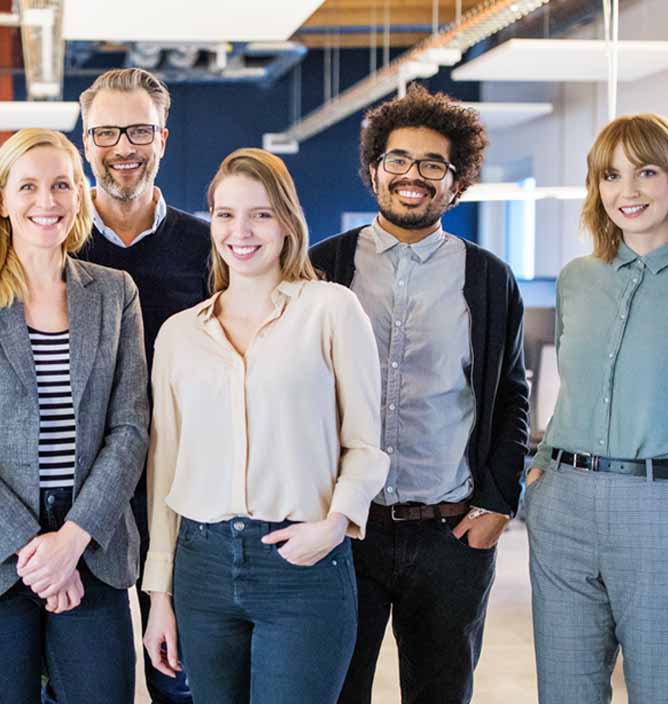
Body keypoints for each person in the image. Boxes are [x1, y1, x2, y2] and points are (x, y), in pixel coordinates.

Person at [308, 85, 530, 704]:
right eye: (399, 160)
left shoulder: (487, 277)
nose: (414, 175)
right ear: (374, 170)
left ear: (456, 182)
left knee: (440, 694)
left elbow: (510, 396)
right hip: (345, 531)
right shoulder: (323, 267)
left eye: (434, 164)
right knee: (334, 692)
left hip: (450, 532)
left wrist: (497, 505)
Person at [141, 147, 388, 704]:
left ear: (286, 222)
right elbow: (165, 465)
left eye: (260, 213)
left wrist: (334, 525)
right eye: (226, 214)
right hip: (200, 567)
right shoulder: (181, 334)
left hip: (300, 564)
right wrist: (159, 593)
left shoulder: (330, 310)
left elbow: (367, 443)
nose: (241, 231)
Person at [0, 128, 148, 704]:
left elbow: (130, 428)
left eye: (61, 185)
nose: (46, 201)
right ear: (1, 199)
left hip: (90, 545)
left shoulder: (116, 292)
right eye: (28, 186)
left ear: (79, 196)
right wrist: (32, 550)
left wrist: (70, 541)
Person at [75, 66, 212, 704]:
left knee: (181, 678)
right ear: (84, 138)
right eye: (106, 131)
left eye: (139, 131)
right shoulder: (55, 245)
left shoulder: (212, 248)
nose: (122, 148)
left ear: (164, 138)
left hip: (184, 486)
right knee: (85, 681)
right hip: (80, 494)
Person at [525, 113, 668, 704]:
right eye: (610, 176)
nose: (626, 192)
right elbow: (576, 389)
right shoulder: (578, 278)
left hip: (655, 509)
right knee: (565, 691)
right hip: (562, 505)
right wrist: (540, 471)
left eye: (647, 171)